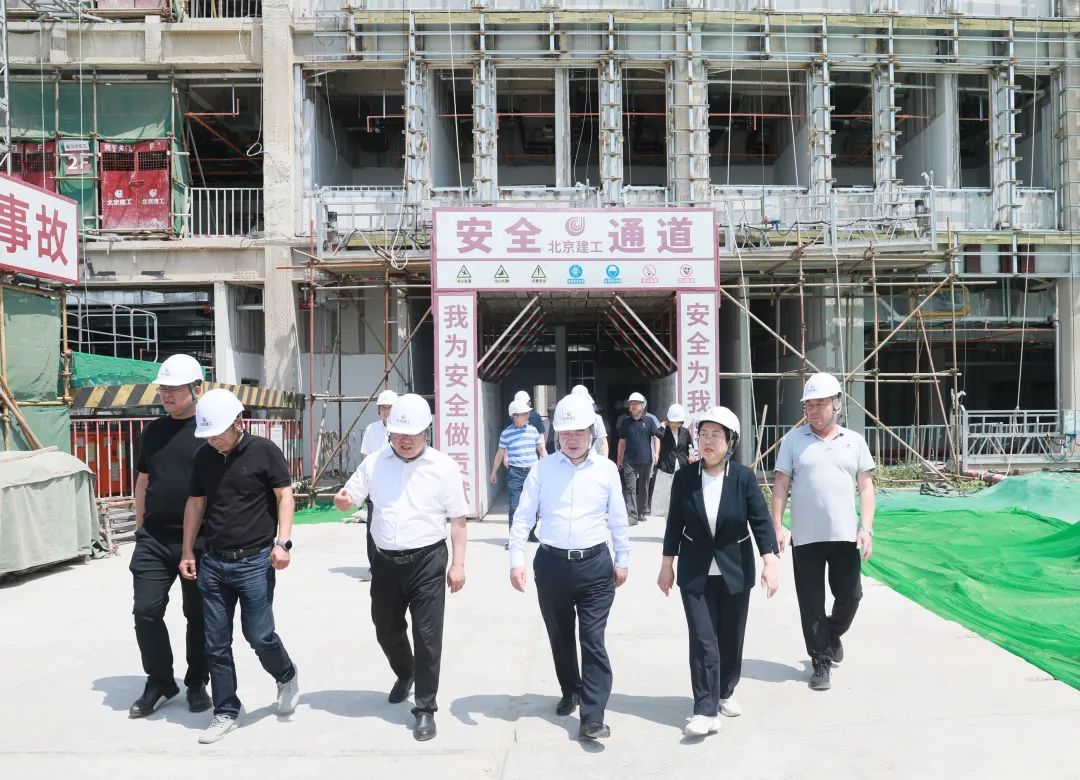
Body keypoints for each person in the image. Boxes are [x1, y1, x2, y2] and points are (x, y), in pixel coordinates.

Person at [334, 393, 468, 742]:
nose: (405, 440)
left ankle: (424, 708)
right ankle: (405, 671)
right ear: (389, 431)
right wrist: (342, 502)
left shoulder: (443, 467)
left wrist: (458, 564)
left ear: (427, 432)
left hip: (428, 561)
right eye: (398, 434)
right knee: (385, 627)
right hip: (386, 562)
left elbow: (458, 520)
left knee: (427, 637)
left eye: (412, 434)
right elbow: (348, 499)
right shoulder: (375, 462)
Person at [180, 389, 299, 744]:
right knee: (215, 643)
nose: (213, 440)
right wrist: (187, 551)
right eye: (208, 435)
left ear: (238, 423)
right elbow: (195, 504)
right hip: (214, 562)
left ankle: (286, 674)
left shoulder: (264, 451)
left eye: (218, 433)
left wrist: (283, 543)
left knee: (259, 635)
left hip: (255, 562)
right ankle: (226, 710)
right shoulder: (203, 456)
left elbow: (284, 495)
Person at [510, 393, 631, 741]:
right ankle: (570, 690)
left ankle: (593, 716)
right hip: (552, 565)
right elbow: (523, 517)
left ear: (591, 432)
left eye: (579, 432)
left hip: (595, 566)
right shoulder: (542, 469)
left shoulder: (606, 470)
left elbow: (618, 519)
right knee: (560, 635)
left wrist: (622, 559)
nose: (572, 439)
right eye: (565, 433)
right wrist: (516, 559)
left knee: (592, 639)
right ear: (556, 435)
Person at [658, 407, 780, 737]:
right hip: (695, 572)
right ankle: (704, 709)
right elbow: (674, 523)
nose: (708, 441)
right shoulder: (685, 478)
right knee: (703, 640)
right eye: (703, 435)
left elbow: (760, 522)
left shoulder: (743, 478)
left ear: (730, 442)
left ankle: (724, 691)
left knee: (730, 637)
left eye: (716, 435)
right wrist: (667, 565)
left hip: (735, 569)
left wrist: (770, 561)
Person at [771, 372, 876, 692]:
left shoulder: (854, 441)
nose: (814, 411)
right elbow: (781, 485)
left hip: (845, 536)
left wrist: (866, 528)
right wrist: (777, 526)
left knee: (851, 595)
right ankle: (820, 661)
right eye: (809, 405)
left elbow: (866, 487)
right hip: (806, 537)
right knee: (811, 602)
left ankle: (831, 634)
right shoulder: (793, 441)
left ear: (836, 405)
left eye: (820, 404)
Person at [127, 354, 211, 719]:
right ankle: (160, 681)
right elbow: (144, 480)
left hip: (202, 541)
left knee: (199, 615)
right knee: (145, 611)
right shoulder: (154, 431)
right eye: (163, 388)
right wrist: (140, 527)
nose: (166, 394)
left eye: (174, 388)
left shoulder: (209, 430)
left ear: (196, 388)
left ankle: (197, 682)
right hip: (155, 538)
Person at [355, 389, 399, 581]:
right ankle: (375, 567)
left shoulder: (404, 430)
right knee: (373, 528)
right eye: (383, 408)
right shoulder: (371, 430)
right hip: (375, 486)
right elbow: (366, 459)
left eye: (390, 408)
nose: (386, 411)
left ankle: (395, 566)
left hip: (398, 486)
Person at [490, 399, 546, 548]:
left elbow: (542, 450)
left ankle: (530, 534)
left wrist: (549, 467)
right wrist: (494, 472)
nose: (528, 416)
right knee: (514, 506)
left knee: (533, 505)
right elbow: (500, 453)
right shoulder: (506, 433)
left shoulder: (533, 431)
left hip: (533, 472)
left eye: (527, 413)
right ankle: (514, 538)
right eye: (524, 414)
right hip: (515, 473)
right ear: (514, 416)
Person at [616, 392, 659, 525]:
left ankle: (641, 512)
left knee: (644, 487)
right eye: (631, 404)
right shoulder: (625, 422)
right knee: (630, 488)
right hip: (629, 460)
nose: (633, 406)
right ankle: (632, 516)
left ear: (642, 405)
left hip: (646, 459)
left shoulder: (649, 421)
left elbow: (656, 438)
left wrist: (656, 453)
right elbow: (622, 441)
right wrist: (619, 458)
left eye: (636, 403)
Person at [571, 384, 609, 458]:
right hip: (572, 458)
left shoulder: (596, 418)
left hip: (593, 457)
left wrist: (605, 460)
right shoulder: (568, 418)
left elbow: (603, 441)